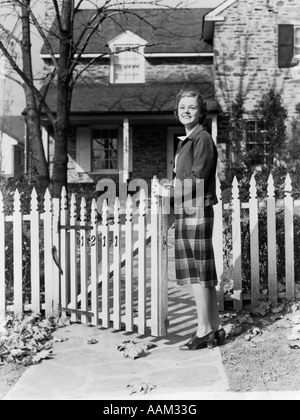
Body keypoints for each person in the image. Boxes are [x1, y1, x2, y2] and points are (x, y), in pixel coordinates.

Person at [153, 89, 225, 350]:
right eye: (182, 107)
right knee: (199, 272)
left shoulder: (202, 139)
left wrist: (168, 191)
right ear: (177, 111)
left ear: (201, 112)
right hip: (187, 209)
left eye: (191, 107)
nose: (186, 111)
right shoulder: (187, 141)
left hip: (197, 208)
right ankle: (214, 327)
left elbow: (196, 181)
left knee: (199, 274)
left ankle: (204, 329)